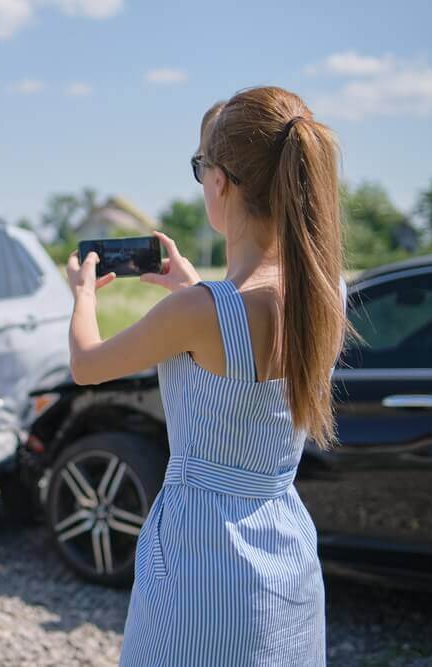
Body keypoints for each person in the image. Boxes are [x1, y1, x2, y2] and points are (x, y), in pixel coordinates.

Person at [66, 86, 351, 666]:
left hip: (202, 560)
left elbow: (86, 364)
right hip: (284, 553)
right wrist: (193, 289)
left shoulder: (200, 312)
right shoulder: (327, 292)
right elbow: (241, 319)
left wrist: (81, 296)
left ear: (220, 180)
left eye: (201, 167)